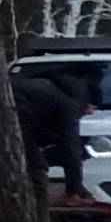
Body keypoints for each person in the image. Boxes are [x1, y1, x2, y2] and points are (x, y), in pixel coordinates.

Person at [11, 68, 97, 206]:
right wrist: (74, 188)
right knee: (36, 173)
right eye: (90, 110)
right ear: (86, 102)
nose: (89, 114)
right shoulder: (67, 104)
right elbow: (70, 146)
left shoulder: (48, 90)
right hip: (12, 122)